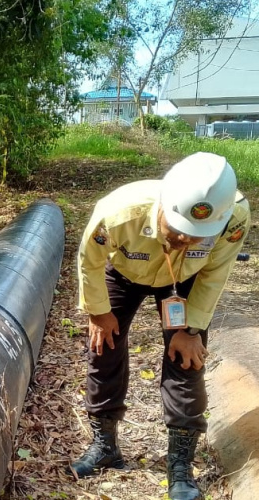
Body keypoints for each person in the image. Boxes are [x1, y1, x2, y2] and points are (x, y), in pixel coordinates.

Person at [69, 152, 250, 500]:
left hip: (186, 282)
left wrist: (192, 329)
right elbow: (89, 261)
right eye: (180, 231)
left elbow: (216, 273)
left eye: (199, 235)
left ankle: (179, 465)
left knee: (187, 360)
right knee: (102, 349)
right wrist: (98, 312)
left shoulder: (234, 218)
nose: (187, 241)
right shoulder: (120, 212)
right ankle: (105, 445)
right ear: (165, 205)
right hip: (125, 273)